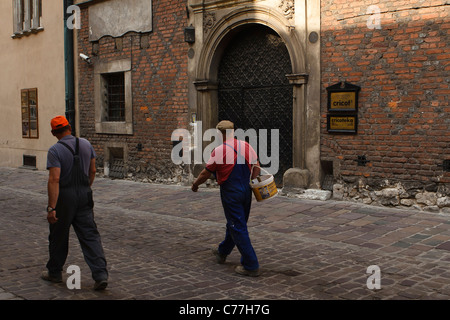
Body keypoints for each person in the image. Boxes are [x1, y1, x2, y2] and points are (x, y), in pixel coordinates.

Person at [41, 115, 108, 290]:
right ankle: (100, 274)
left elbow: (54, 179)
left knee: (58, 236)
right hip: (84, 194)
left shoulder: (55, 150)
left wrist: (51, 207)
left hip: (65, 197)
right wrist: (85, 188)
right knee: (90, 235)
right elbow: (92, 170)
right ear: (69, 128)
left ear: (53, 132)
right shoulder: (86, 144)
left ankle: (54, 272)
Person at [192, 120, 261, 277]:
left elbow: (206, 172)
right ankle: (222, 251)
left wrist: (195, 184)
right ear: (234, 131)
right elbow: (256, 165)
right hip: (246, 190)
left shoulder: (219, 150)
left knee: (238, 225)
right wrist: (252, 182)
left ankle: (251, 264)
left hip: (231, 192)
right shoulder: (246, 145)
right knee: (236, 222)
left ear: (219, 133)